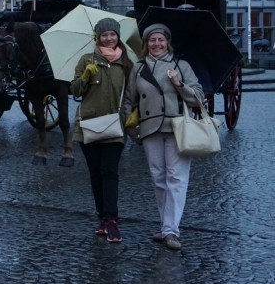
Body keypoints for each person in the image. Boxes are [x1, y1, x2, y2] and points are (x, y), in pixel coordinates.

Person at [122, 23, 204, 251]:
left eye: (161, 40)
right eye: (152, 40)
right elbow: (129, 100)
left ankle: (171, 231)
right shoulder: (138, 68)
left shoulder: (182, 65)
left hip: (177, 128)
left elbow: (198, 98)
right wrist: (131, 129)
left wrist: (179, 84)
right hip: (150, 129)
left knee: (176, 179)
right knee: (159, 178)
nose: (156, 44)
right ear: (146, 44)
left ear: (168, 42)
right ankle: (166, 224)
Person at [71, 17, 134, 243]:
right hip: (87, 125)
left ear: (118, 37)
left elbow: (130, 95)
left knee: (110, 173)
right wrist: (85, 77)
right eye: (105, 35)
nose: (109, 38)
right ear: (98, 37)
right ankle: (101, 217)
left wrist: (129, 120)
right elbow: (75, 90)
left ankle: (112, 220)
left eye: (113, 34)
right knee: (95, 174)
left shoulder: (126, 64)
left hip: (115, 127)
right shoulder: (86, 59)